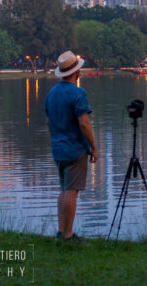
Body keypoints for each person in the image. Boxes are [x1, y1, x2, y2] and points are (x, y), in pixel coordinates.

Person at [45, 50, 98, 240]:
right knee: (71, 191)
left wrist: (56, 139)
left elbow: (49, 122)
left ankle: (61, 230)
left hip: (58, 149)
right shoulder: (78, 93)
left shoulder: (51, 94)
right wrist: (94, 147)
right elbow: (84, 123)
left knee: (64, 189)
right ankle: (68, 234)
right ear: (76, 72)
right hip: (75, 149)